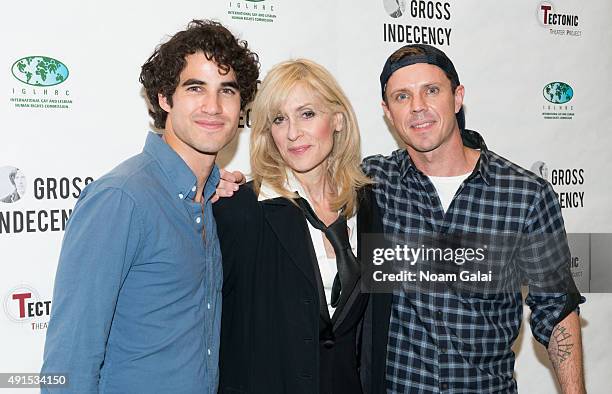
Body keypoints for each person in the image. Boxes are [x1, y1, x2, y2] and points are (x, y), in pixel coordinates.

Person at [41, 20, 259, 393]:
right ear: (164, 97)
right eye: (195, 88)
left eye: (227, 90)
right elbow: (70, 360)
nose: (213, 105)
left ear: (241, 106)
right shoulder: (121, 198)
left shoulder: (210, 199)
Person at [359, 44, 585, 393]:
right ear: (388, 112)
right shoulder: (370, 182)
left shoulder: (525, 195)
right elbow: (297, 186)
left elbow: (555, 308)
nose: (418, 107)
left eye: (431, 90)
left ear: (457, 97)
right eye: (402, 97)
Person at [213, 59, 382, 394]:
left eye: (307, 114)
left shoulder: (370, 204)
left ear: (337, 119)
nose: (292, 133)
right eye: (279, 119)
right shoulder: (240, 208)